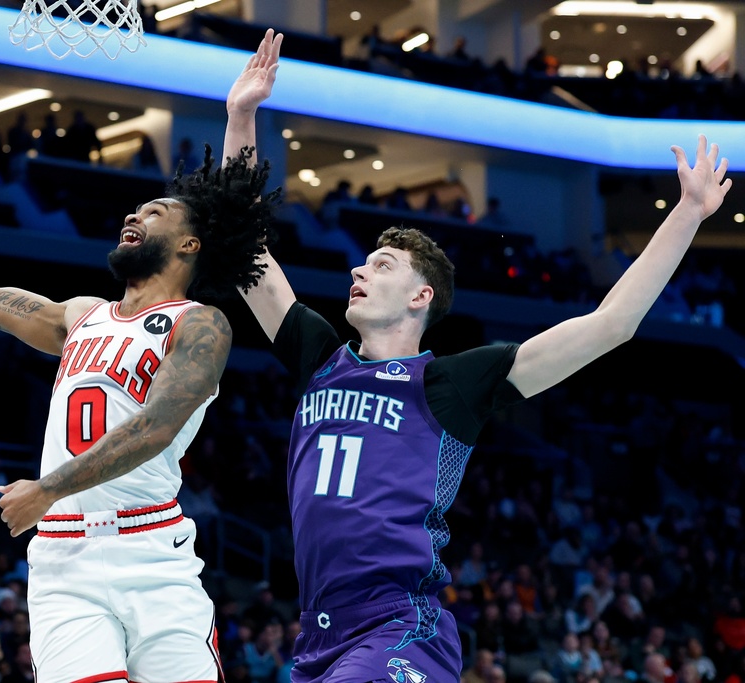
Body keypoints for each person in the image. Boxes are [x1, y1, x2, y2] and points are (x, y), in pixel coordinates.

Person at [221, 35, 733, 682]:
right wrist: (241, 118)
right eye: (363, 260)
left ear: (420, 295)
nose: (357, 268)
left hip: (401, 627)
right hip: (317, 632)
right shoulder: (318, 356)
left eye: (381, 264)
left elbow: (612, 324)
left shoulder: (451, 383)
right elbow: (245, 250)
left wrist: (687, 213)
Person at [0, 29, 283, 683]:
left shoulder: (202, 324)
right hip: (67, 557)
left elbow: (157, 424)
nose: (135, 214)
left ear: (191, 246)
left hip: (154, 551)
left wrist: (48, 487)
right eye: (136, 207)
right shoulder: (80, 314)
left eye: (156, 210)